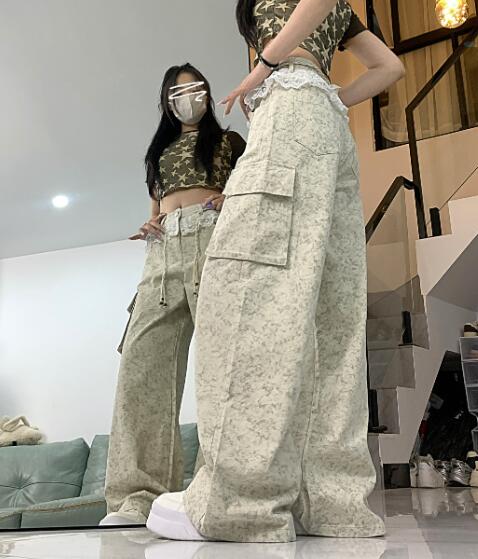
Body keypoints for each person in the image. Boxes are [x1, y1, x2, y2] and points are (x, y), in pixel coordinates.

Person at [147, 0, 405, 542]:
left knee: (248, 297)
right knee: (329, 314)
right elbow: (390, 67)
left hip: (289, 112)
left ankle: (237, 503)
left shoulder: (278, 49)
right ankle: (330, 505)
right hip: (329, 131)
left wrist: (263, 67)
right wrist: (333, 97)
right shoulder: (342, 18)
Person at [100, 63, 246, 526]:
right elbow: (157, 204)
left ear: (208, 93)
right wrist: (150, 223)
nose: (188, 97)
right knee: (141, 369)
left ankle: (219, 490)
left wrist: (231, 199)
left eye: (195, 88)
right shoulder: (158, 152)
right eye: (177, 92)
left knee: (222, 366)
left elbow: (248, 192)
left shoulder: (229, 143)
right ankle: (137, 497)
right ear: (166, 101)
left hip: (212, 240)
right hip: (163, 249)